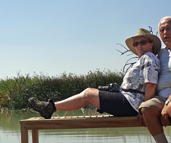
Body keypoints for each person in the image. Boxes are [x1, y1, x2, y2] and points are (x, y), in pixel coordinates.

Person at [29, 28, 161, 119]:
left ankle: (49, 108)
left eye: (142, 42)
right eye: (136, 43)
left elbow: (151, 85)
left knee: (88, 94)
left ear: (151, 44)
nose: (139, 46)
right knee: (89, 92)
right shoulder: (144, 59)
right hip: (128, 101)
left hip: (133, 105)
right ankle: (49, 107)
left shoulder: (148, 57)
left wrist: (145, 111)